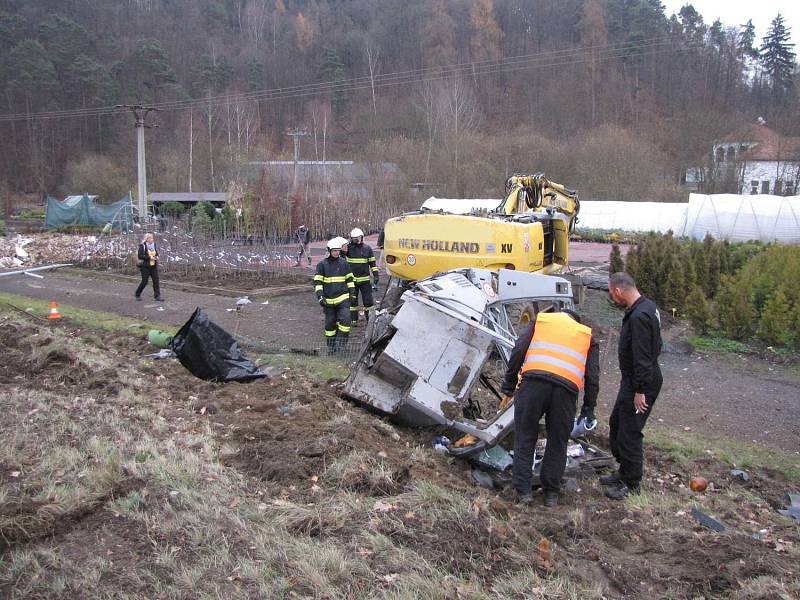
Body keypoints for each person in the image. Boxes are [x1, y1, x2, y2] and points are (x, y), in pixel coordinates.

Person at [500, 308, 599, 507]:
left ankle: (523, 491)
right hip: (566, 393)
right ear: (576, 320)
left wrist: (509, 385)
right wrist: (588, 407)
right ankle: (551, 493)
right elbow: (592, 377)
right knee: (558, 441)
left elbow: (519, 350)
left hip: (533, 384)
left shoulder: (542, 321)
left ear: (560, 314)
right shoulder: (587, 335)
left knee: (525, 436)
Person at [603, 272, 663, 500]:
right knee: (617, 422)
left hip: (642, 382)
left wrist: (640, 390)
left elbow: (643, 355)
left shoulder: (639, 317)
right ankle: (623, 472)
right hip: (634, 380)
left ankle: (632, 483)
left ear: (618, 291)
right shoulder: (647, 307)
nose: (612, 297)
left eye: (611, 293)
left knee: (630, 432)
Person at [314, 237, 355, 354]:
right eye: (334, 251)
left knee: (346, 321)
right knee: (330, 325)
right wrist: (320, 297)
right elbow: (317, 283)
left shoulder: (344, 263)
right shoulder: (322, 265)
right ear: (329, 251)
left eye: (338, 250)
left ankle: (341, 345)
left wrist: (352, 294)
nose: (337, 253)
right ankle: (331, 347)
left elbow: (350, 280)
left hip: (343, 298)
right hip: (328, 300)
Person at [345, 227, 379, 326]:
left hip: (365, 281)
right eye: (355, 239)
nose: (357, 240)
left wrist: (376, 276)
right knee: (353, 301)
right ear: (351, 238)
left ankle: (369, 320)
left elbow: (372, 263)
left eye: (359, 238)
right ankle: (353, 320)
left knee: (368, 301)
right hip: (352, 281)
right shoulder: (348, 249)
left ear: (362, 237)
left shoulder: (367, 249)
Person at [135, 233, 163, 302]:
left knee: (156, 281)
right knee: (144, 281)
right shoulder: (142, 246)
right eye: (150, 238)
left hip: (153, 266)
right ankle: (137, 294)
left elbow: (156, 253)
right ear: (147, 239)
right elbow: (140, 256)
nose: (152, 239)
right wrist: (149, 257)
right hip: (145, 267)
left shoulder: (154, 245)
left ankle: (157, 296)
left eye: (152, 238)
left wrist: (156, 257)